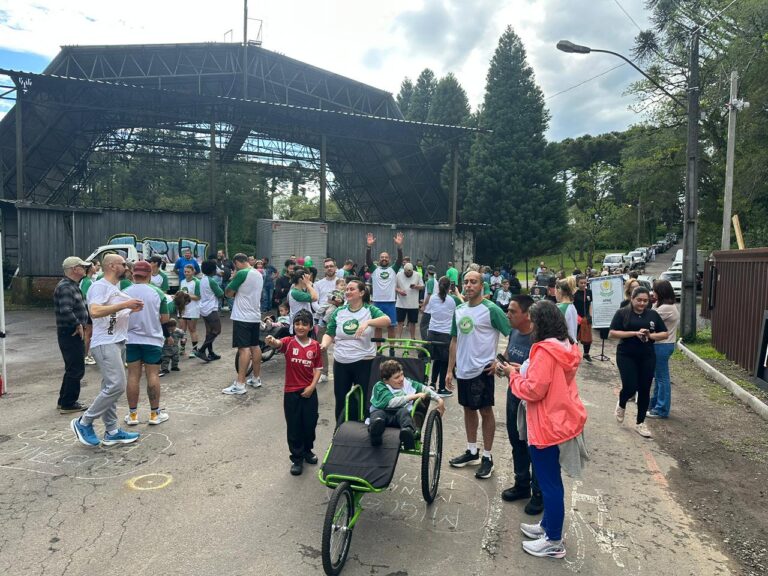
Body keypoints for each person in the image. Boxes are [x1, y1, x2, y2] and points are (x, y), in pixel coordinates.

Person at [502, 299, 587, 559]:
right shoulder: (566, 346)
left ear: (542, 322)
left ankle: (553, 541)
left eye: (534, 321)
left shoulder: (543, 350)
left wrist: (513, 376)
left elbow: (534, 389)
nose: (532, 325)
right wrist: (521, 370)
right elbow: (547, 378)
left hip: (546, 423)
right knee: (553, 481)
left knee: (550, 485)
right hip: (562, 418)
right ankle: (548, 526)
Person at [71, 253, 144, 447]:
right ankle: (84, 422)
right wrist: (126, 304)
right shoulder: (99, 286)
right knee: (117, 385)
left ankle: (111, 430)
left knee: (109, 388)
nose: (127, 267)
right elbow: (94, 311)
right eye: (123, 264)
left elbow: (113, 311)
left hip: (118, 341)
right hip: (105, 343)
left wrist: (130, 308)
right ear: (112, 266)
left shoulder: (114, 288)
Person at [446, 271, 511, 480]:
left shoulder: (491, 309)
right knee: (467, 409)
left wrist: (500, 361)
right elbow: (454, 341)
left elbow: (514, 333)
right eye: (465, 282)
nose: (468, 285)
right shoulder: (459, 309)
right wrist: (449, 370)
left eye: (473, 282)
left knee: (485, 411)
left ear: (482, 285)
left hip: (483, 370)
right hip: (462, 371)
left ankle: (487, 456)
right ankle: (472, 450)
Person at [320, 279, 392, 423]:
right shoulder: (339, 312)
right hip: (341, 362)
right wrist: (324, 345)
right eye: (346, 289)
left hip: (364, 362)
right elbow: (330, 332)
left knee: (365, 399)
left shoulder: (369, 310)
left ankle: (365, 429)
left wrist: (368, 322)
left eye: (352, 289)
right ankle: (340, 430)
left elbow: (387, 320)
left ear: (362, 292)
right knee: (341, 400)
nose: (348, 292)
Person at [264, 309, 323, 476]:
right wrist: (271, 340)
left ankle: (307, 451)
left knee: (310, 424)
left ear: (311, 326)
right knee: (294, 426)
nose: (300, 327)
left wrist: (312, 387)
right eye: (297, 324)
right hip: (291, 392)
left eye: (304, 324)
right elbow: (278, 344)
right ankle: (297, 458)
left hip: (309, 391)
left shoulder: (315, 346)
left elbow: (318, 368)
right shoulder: (289, 342)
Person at [501, 294, 543, 515]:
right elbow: (508, 355)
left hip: (532, 402)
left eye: (512, 311)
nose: (508, 314)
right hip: (513, 395)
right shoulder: (514, 332)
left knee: (534, 446)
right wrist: (500, 365)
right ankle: (522, 484)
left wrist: (517, 371)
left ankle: (539, 493)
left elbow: (541, 377)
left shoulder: (539, 340)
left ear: (527, 315)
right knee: (516, 441)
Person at [609, 286, 669, 438]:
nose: (642, 304)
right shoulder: (622, 313)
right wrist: (634, 333)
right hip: (626, 354)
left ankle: (640, 423)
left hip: (647, 355)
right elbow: (612, 333)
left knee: (644, 389)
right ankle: (622, 403)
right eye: (639, 300)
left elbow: (665, 334)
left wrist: (650, 336)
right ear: (632, 299)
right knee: (630, 386)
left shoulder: (653, 315)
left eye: (645, 301)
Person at [123, 261, 171, 426]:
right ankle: (154, 414)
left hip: (130, 339)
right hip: (152, 339)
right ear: (150, 274)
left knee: (133, 376)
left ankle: (133, 415)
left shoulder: (124, 292)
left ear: (133, 274)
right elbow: (165, 319)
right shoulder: (158, 293)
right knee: (152, 375)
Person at [369, 359, 445, 449]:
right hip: (383, 414)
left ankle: (408, 434)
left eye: (402, 374)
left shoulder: (407, 383)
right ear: (386, 380)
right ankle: (375, 434)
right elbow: (391, 403)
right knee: (377, 415)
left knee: (404, 413)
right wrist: (413, 396)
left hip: (399, 416)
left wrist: (439, 399)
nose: (401, 379)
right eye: (397, 377)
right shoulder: (380, 386)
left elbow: (424, 388)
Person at [54, 256, 91, 414]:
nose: (85, 268)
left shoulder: (72, 285)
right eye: (82, 266)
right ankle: (69, 403)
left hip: (71, 330)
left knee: (72, 367)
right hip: (70, 331)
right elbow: (66, 310)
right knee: (76, 368)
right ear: (74, 269)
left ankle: (64, 400)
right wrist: (78, 324)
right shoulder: (66, 287)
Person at [223, 253, 264, 395]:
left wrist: (233, 278)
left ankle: (240, 384)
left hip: (242, 316)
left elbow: (228, 293)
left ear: (237, 263)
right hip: (255, 315)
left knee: (243, 349)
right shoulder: (258, 273)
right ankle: (256, 378)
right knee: (255, 346)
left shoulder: (241, 274)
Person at [647, 280, 680, 419]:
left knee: (662, 378)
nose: (653, 293)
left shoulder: (666, 308)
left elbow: (648, 319)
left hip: (662, 345)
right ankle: (654, 404)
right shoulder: (663, 305)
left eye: (654, 291)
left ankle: (661, 409)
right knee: (658, 377)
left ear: (660, 292)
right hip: (663, 345)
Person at [425, 276, 462, 397]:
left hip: (432, 332)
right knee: (444, 362)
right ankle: (441, 388)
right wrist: (457, 293)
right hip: (445, 334)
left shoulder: (433, 298)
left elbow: (430, 311)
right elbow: (464, 305)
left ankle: (432, 384)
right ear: (449, 288)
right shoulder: (453, 300)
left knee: (436, 360)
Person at [366, 231, 404, 342]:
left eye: (386, 257)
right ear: (379, 259)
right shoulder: (374, 270)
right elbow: (368, 261)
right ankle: (379, 350)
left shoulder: (393, 269)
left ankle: (391, 350)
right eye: (382, 257)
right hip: (377, 302)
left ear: (389, 260)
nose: (384, 259)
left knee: (391, 327)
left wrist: (399, 247)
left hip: (390, 302)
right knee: (378, 327)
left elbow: (400, 260)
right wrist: (369, 247)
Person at [313, 258, 339, 382]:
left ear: (335, 267)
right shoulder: (318, 284)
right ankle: (324, 373)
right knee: (321, 345)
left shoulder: (341, 282)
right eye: (327, 266)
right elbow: (314, 301)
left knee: (341, 344)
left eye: (331, 266)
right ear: (324, 269)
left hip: (339, 317)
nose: (329, 268)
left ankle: (341, 371)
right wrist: (322, 313)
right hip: (323, 317)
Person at [195, 260, 225, 361]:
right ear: (212, 270)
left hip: (203, 307)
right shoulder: (212, 281)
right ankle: (202, 350)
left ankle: (211, 353)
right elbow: (220, 294)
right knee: (217, 330)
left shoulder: (203, 279)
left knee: (209, 332)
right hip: (211, 308)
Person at [395, 262, 423, 340]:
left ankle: (412, 338)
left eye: (410, 272)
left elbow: (422, 286)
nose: (408, 274)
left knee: (412, 323)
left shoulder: (417, 275)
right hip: (401, 303)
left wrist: (416, 286)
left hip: (413, 303)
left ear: (412, 271)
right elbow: (394, 287)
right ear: (404, 270)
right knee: (400, 322)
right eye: (406, 272)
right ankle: (398, 339)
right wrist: (399, 291)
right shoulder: (399, 274)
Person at [178, 264, 201, 357]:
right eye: (185, 272)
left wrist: (186, 294)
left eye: (188, 272)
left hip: (192, 309)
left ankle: (195, 350)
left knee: (192, 329)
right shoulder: (182, 281)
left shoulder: (197, 282)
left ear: (193, 272)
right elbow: (181, 295)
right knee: (182, 330)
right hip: (182, 308)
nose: (186, 273)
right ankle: (182, 349)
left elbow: (198, 297)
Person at [573, 275, 593, 362]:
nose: (583, 284)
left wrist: (590, 315)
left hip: (586, 318)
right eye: (581, 283)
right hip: (576, 318)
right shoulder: (574, 293)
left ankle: (586, 354)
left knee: (587, 337)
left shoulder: (589, 292)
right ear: (577, 283)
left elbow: (590, 304)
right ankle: (574, 354)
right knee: (575, 337)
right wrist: (576, 318)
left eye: (585, 282)